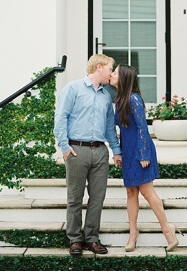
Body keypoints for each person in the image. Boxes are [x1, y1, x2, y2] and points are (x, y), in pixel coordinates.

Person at [53, 54, 122, 256]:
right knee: (75, 198)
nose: (112, 72)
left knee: (97, 197)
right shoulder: (73, 89)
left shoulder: (106, 96)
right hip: (77, 150)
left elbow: (110, 126)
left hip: (100, 151)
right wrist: (65, 147)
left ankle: (91, 238)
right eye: (110, 68)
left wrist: (116, 151)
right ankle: (75, 239)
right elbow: (60, 118)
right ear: (99, 67)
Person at [109, 64, 179, 252]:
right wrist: (119, 153)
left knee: (147, 192)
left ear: (123, 78)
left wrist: (143, 154)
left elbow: (142, 128)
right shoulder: (119, 100)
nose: (111, 74)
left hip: (141, 151)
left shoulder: (134, 99)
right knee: (131, 192)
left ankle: (168, 231)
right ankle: (133, 233)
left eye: (114, 72)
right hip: (128, 151)